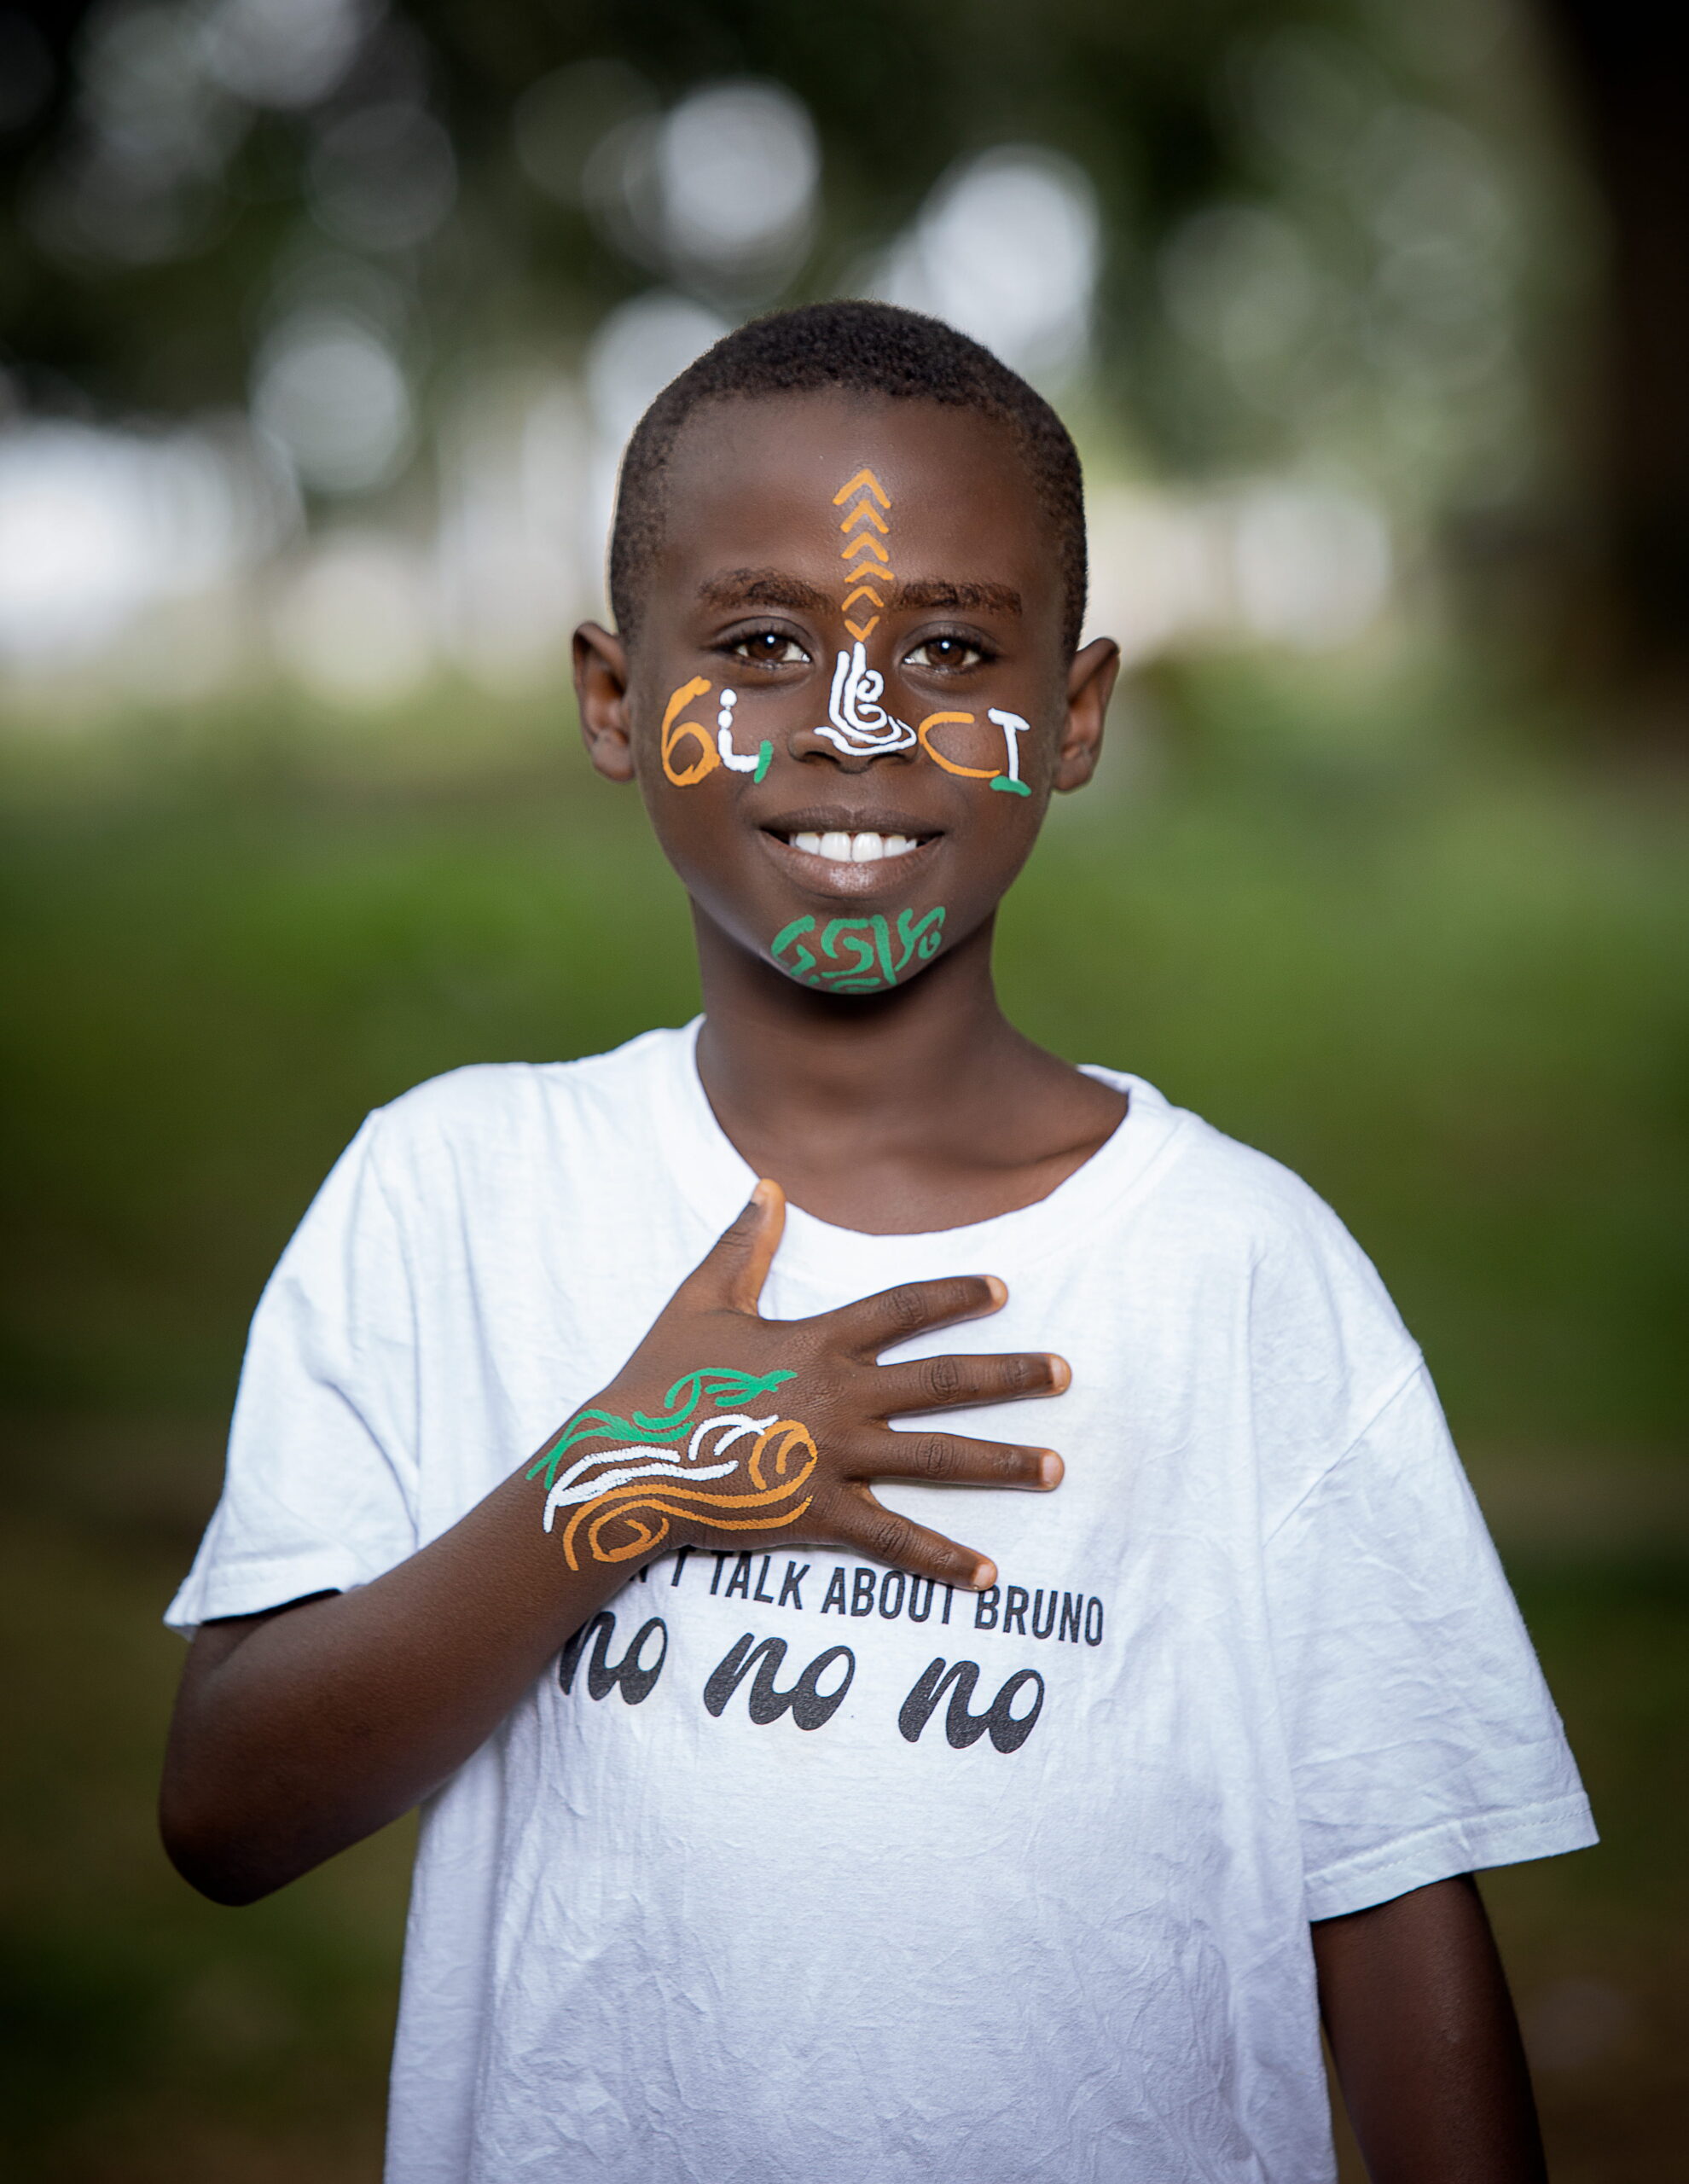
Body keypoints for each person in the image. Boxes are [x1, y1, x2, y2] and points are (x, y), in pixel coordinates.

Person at [160, 301, 1594, 2183]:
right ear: (612, 698)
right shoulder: (452, 1190)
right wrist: (626, 1477)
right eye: (761, 644)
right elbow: (230, 1810)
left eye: (951, 650)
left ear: (1072, 716)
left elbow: (1398, 1920)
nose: (856, 723)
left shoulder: (1239, 1266)